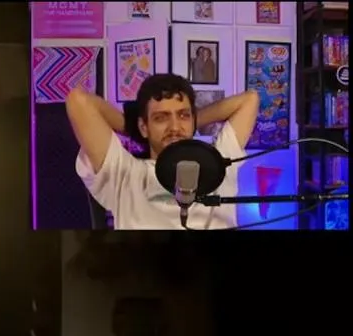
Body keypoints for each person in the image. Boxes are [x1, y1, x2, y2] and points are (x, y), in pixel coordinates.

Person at [65, 74, 260, 229]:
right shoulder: (125, 173)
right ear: (144, 126)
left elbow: (249, 100)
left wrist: (190, 123)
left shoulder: (218, 163)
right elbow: (79, 101)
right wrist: (136, 130)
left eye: (183, 115)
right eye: (161, 118)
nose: (174, 127)